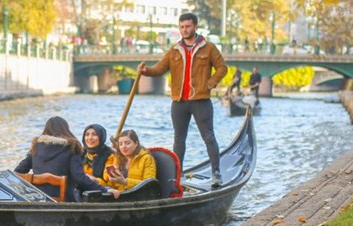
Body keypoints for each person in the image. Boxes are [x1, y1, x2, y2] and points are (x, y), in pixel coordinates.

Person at [137, 12, 228, 186]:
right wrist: (146, 71)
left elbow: (222, 68)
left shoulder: (208, 48)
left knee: (208, 137)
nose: (184, 30)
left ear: (195, 27)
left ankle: (216, 173)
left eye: (187, 26)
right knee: (179, 139)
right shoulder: (174, 50)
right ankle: (176, 175)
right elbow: (159, 69)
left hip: (200, 100)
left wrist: (210, 83)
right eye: (181, 27)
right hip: (179, 102)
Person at [15, 116, 120, 201]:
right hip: (67, 199)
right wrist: (104, 189)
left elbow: (18, 171)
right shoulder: (72, 147)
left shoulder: (36, 146)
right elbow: (79, 177)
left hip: (38, 198)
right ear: (66, 129)